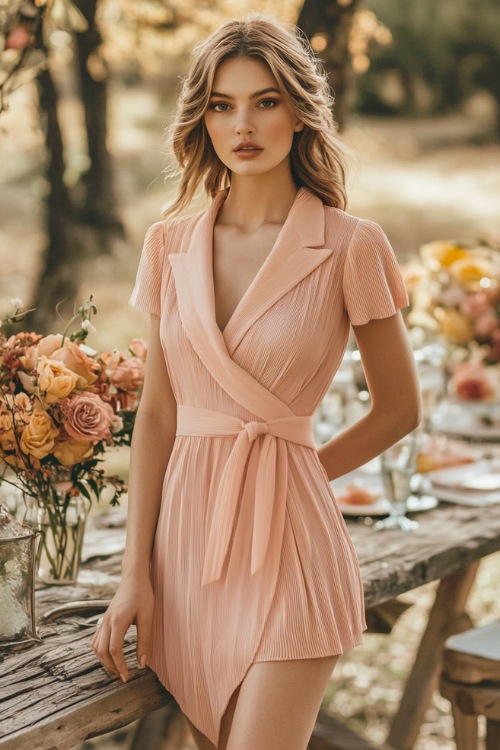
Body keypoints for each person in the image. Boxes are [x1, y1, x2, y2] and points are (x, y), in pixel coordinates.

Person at [91, 14, 421, 750]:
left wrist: (297, 471)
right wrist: (132, 573)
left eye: (265, 101)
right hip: (187, 551)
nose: (243, 123)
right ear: (201, 117)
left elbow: (400, 408)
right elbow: (157, 417)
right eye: (221, 104)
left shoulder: (350, 245)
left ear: (301, 111)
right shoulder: (169, 244)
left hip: (291, 545)